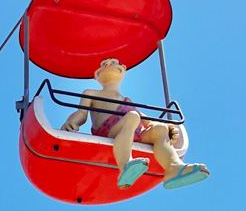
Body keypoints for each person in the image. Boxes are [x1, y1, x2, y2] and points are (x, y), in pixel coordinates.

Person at [60, 58, 209, 192]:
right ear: (97, 74)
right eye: (104, 64)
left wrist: (166, 128)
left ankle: (173, 168)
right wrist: (71, 122)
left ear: (122, 69)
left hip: (134, 130)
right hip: (108, 130)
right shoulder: (91, 93)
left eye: (113, 62)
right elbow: (81, 113)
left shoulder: (126, 100)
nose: (109, 65)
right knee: (132, 117)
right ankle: (125, 165)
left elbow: (147, 121)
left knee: (159, 129)